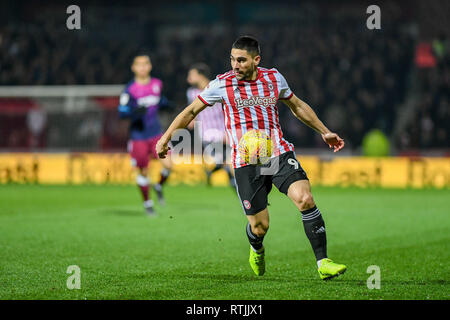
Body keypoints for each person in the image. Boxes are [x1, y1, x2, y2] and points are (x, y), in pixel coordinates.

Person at [156, 36, 347, 280]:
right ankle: (256, 247)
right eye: (232, 59)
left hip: (276, 153)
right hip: (245, 162)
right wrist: (166, 138)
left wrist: (324, 131)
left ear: (257, 60)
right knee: (260, 226)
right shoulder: (221, 84)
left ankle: (323, 262)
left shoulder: (273, 78)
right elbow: (191, 111)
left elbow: (297, 105)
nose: (235, 65)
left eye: (242, 60)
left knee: (305, 198)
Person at [118, 53, 172, 215]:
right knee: (143, 171)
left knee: (169, 165)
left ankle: (158, 186)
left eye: (145, 64)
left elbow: (160, 100)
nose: (142, 67)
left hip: (156, 134)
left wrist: (166, 104)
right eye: (139, 64)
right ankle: (148, 204)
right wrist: (134, 112)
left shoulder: (157, 84)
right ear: (133, 68)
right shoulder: (129, 90)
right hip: (139, 137)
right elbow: (122, 112)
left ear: (150, 66)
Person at [186, 63, 236, 188]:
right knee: (228, 163)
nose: (188, 78)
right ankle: (242, 194)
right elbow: (194, 110)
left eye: (191, 75)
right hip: (207, 134)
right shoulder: (191, 93)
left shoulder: (217, 88)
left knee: (227, 162)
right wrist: (192, 120)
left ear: (200, 75)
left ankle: (212, 173)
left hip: (224, 131)